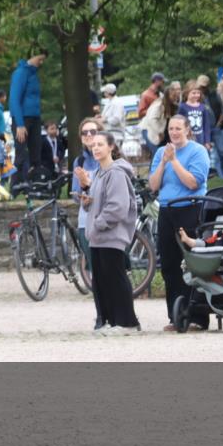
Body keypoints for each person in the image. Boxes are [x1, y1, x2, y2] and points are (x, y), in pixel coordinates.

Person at [149, 115, 211, 331]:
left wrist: (174, 161)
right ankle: (176, 316)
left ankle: (198, 316)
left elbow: (194, 182)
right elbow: (154, 185)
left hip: (190, 208)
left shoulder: (197, 151)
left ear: (187, 130)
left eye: (178, 128)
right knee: (169, 265)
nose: (174, 132)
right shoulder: (161, 153)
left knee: (192, 262)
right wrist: (164, 161)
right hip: (167, 210)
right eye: (171, 129)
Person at [81, 132, 140, 334]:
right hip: (98, 237)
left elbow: (118, 206)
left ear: (111, 147)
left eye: (100, 144)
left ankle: (127, 322)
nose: (95, 148)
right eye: (93, 145)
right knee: (101, 281)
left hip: (111, 235)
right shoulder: (99, 173)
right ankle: (110, 320)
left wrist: (99, 223)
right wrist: (88, 201)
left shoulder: (116, 173)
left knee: (115, 278)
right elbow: (100, 202)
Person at [71, 117, 104, 329]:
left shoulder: (109, 157)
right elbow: (75, 193)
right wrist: (82, 194)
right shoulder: (79, 162)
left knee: (110, 270)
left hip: (108, 223)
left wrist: (91, 188)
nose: (89, 136)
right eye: (85, 133)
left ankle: (119, 314)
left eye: (93, 132)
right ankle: (101, 314)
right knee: (95, 272)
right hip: (86, 221)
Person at [8, 50, 46, 189]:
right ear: (32, 56)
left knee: (36, 152)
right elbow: (14, 99)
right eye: (39, 59)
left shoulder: (33, 74)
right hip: (23, 118)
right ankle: (15, 185)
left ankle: (36, 184)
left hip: (35, 118)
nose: (41, 63)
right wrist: (19, 124)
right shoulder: (21, 73)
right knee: (21, 154)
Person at [139, 81, 181, 154]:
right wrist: (159, 131)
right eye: (173, 96)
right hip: (149, 129)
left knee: (165, 154)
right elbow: (151, 119)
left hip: (161, 133)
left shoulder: (172, 106)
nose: (175, 98)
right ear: (168, 96)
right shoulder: (159, 105)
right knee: (158, 154)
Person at [178, 80, 215, 151]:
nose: (196, 95)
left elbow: (206, 125)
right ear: (187, 93)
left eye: (198, 93)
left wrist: (207, 141)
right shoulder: (182, 107)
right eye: (193, 93)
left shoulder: (203, 107)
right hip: (187, 139)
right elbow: (179, 124)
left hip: (200, 139)